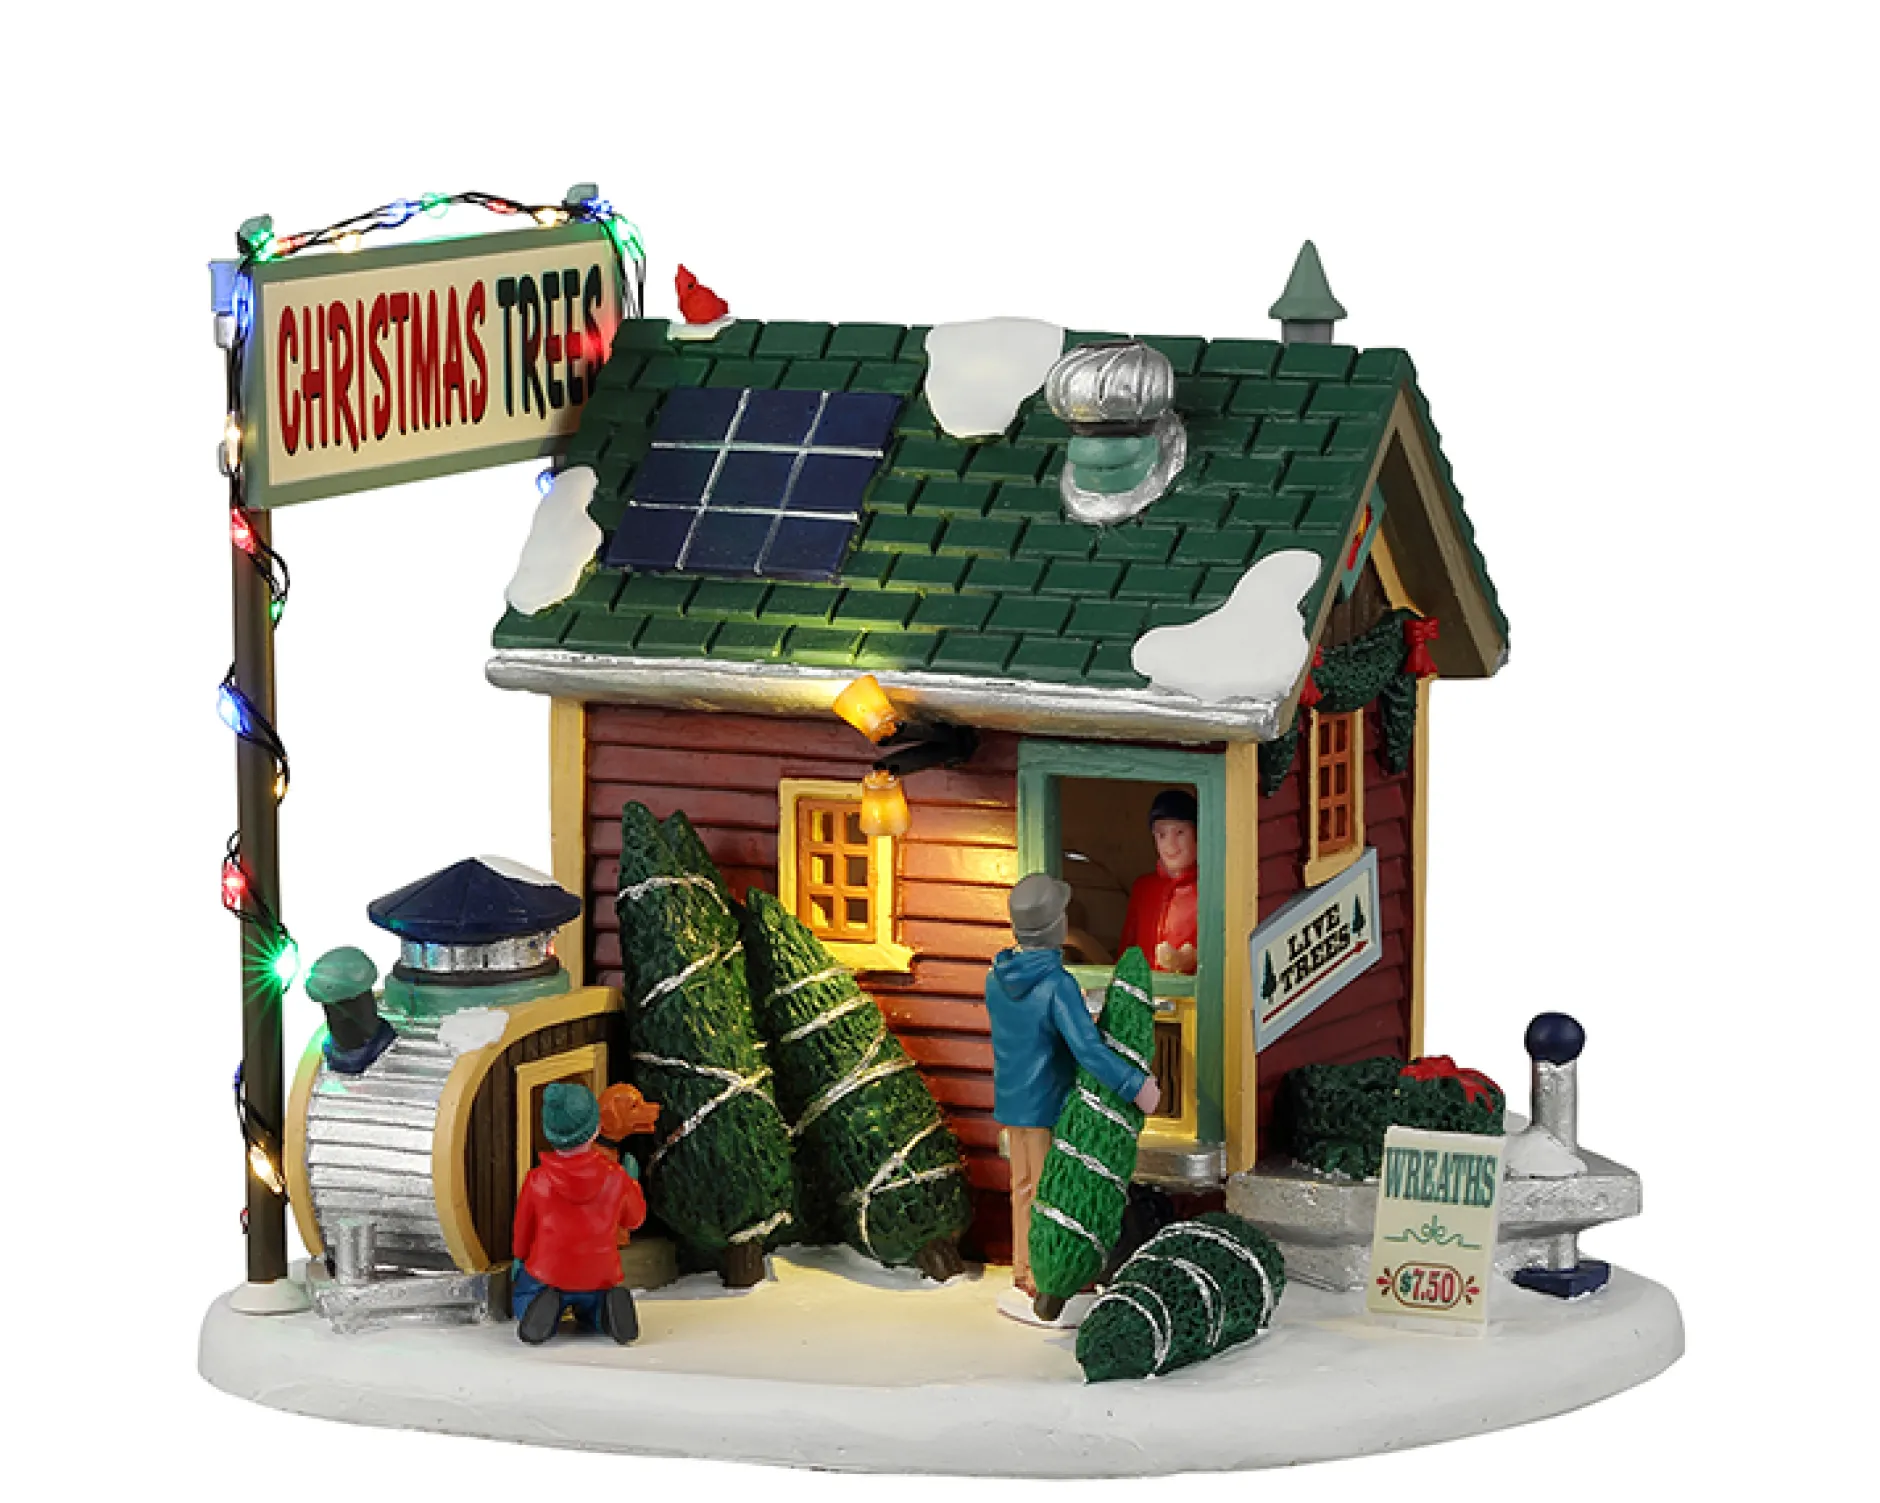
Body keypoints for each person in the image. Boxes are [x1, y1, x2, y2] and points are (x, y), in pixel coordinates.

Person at [985, 873, 1161, 1295]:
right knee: (1050, 1194)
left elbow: (1025, 1034)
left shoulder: (997, 977)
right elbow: (1088, 1051)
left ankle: (1023, 1269)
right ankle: (1046, 1275)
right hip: (1048, 1103)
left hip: (1012, 1100)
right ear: (1055, 927)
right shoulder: (1057, 985)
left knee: (1022, 1188)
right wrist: (1136, 1085)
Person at [512, 1082, 647, 1345]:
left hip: (548, 1273)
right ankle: (602, 1314)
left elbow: (523, 1229)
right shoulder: (617, 1177)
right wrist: (633, 1184)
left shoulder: (537, 1180)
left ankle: (537, 1308)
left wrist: (519, 1258)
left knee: (525, 1293)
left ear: (549, 1132)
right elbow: (635, 1220)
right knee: (594, 1303)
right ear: (596, 1129)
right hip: (600, 1274)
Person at [1119, 789, 1200, 974]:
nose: (1170, 845)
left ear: (1197, 835)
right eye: (1162, 835)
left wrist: (1189, 961)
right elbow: (1127, 948)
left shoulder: (1209, 890)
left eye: (1180, 833)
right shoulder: (1143, 888)